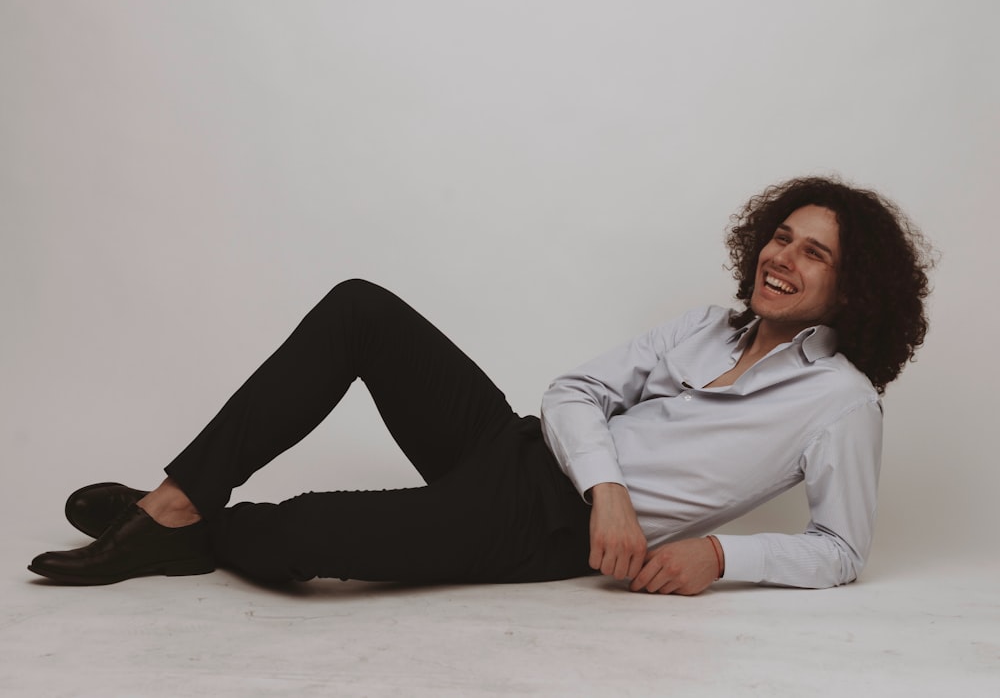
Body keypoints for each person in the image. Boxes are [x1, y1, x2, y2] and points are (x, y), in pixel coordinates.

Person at [28, 176, 933, 594]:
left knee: (299, 536)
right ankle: (178, 503)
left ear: (851, 289)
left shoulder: (843, 403)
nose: (783, 256)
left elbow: (840, 547)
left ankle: (185, 538)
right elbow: (575, 388)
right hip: (521, 447)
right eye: (782, 236)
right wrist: (609, 486)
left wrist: (724, 555)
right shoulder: (710, 324)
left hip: (536, 526)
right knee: (360, 308)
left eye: (814, 253)